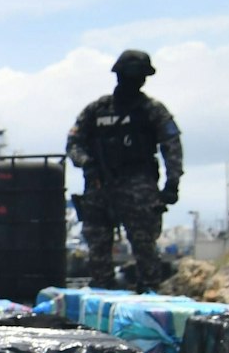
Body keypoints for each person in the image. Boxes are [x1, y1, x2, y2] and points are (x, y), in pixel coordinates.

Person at [66, 49, 184, 291]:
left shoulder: (151, 110)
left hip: (137, 184)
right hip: (100, 184)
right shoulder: (97, 110)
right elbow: (74, 143)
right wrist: (87, 162)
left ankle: (149, 292)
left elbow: (171, 144)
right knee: (97, 246)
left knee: (144, 246)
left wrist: (172, 183)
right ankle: (102, 290)